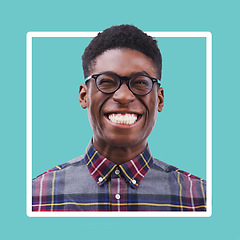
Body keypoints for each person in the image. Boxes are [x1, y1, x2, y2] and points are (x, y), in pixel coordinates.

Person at [32, 24, 206, 211]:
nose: (123, 96)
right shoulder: (35, 196)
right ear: (84, 96)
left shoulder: (202, 199)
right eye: (106, 81)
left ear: (160, 99)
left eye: (140, 83)